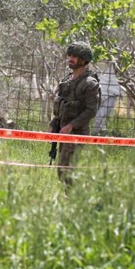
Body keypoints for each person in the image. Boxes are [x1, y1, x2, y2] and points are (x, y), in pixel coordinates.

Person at [49, 41, 101, 188]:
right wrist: (54, 124)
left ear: (84, 60)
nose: (70, 59)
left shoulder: (90, 83)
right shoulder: (67, 80)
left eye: (75, 56)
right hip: (64, 131)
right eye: (70, 55)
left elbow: (91, 110)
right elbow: (61, 104)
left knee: (69, 173)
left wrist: (71, 126)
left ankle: (78, 200)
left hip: (76, 133)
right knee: (63, 172)